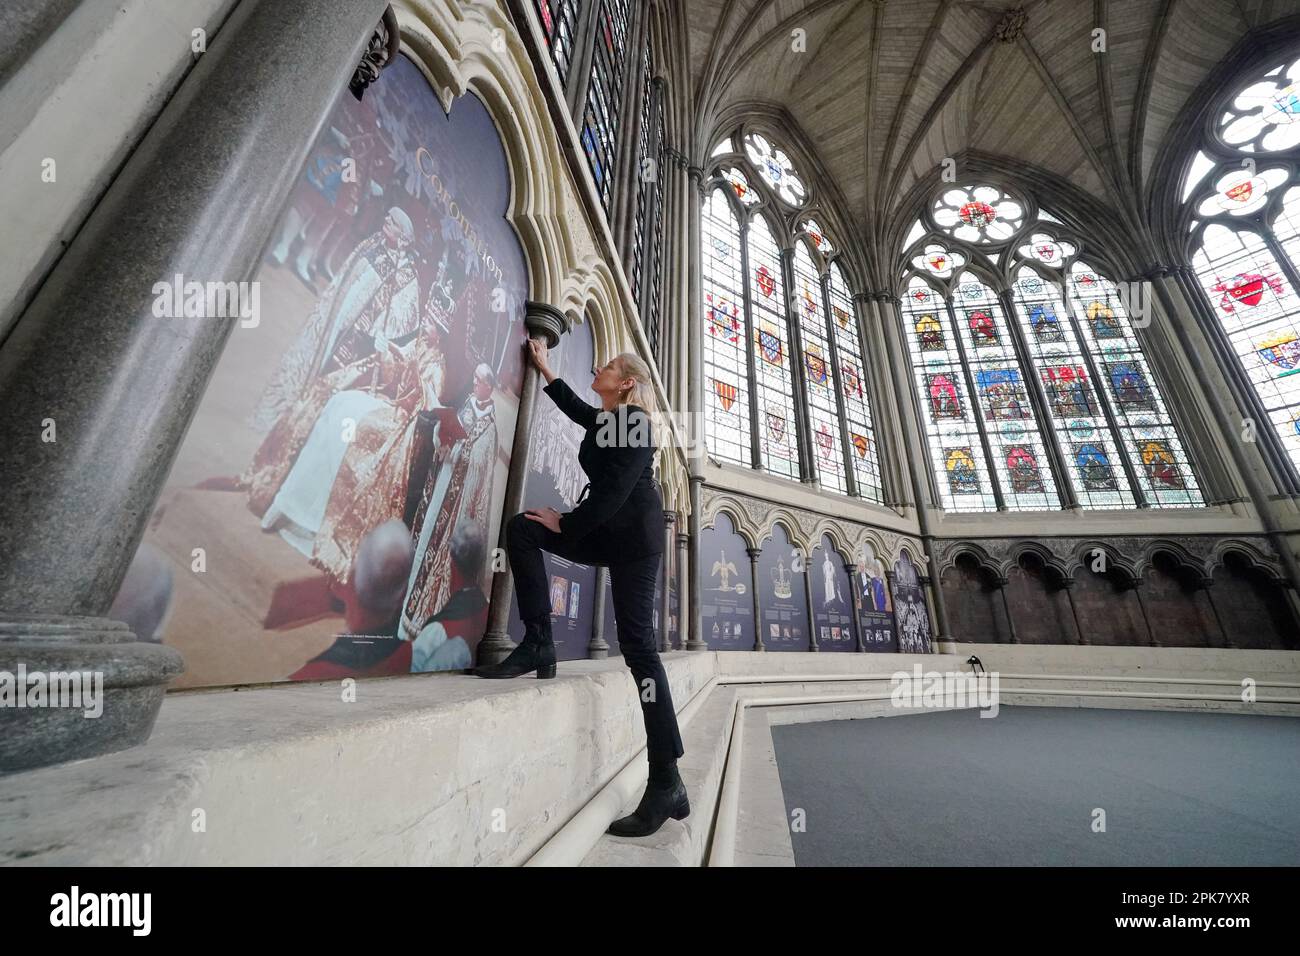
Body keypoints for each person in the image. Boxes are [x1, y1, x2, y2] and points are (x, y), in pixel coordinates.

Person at [476, 338, 688, 839]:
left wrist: (566, 525)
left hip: (633, 542)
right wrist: (545, 367)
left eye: (609, 366)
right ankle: (539, 642)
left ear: (627, 383)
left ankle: (666, 782)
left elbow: (614, 495)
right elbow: (576, 408)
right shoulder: (608, 420)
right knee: (523, 529)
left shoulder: (635, 424)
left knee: (639, 649)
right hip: (604, 533)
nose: (599, 366)